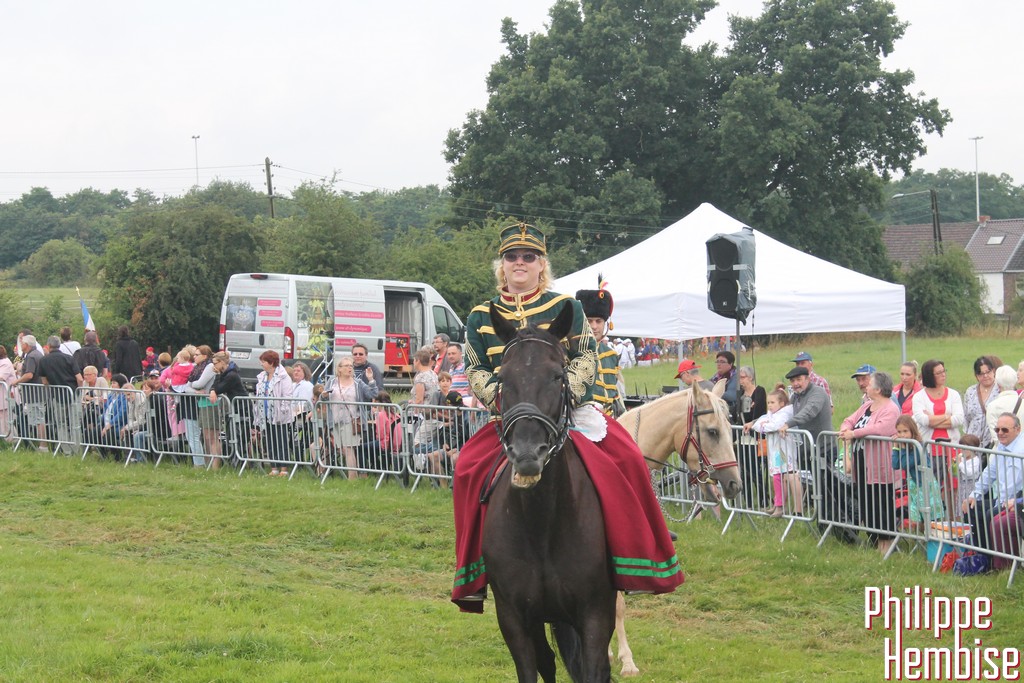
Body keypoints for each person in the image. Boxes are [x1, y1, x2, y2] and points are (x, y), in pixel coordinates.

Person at [452, 221, 681, 612]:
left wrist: (563, 395)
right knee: (465, 470)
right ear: (501, 265)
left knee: (627, 457)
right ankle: (472, 571)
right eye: (512, 257)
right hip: (512, 415)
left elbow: (586, 355)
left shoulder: (566, 307)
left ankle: (641, 555)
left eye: (529, 257)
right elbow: (475, 367)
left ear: (542, 264)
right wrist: (503, 400)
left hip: (569, 409)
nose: (520, 263)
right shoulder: (479, 315)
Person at [838, 372, 900, 555]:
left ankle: (886, 545)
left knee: (881, 505)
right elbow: (849, 420)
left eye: (870, 383)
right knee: (867, 505)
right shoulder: (866, 405)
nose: (866, 386)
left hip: (879, 467)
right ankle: (875, 541)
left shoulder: (891, 409)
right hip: (862, 465)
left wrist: (854, 434)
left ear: (878, 389)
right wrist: (845, 429)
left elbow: (880, 429)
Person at [961, 412, 1024, 559]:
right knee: (971, 508)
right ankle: (982, 556)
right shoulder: (1001, 446)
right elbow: (989, 473)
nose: (1000, 433)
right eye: (997, 429)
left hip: (1016, 502)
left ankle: (999, 560)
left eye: (1005, 430)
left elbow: (1012, 486)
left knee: (991, 514)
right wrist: (974, 495)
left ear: (1018, 429)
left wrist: (1002, 505)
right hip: (1003, 499)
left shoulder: (1020, 450)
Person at [911, 359, 965, 516]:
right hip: (929, 449)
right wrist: (947, 416)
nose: (943, 375)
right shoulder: (919, 397)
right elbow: (923, 420)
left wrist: (933, 419)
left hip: (951, 448)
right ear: (930, 376)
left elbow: (958, 419)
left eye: (943, 371)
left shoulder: (953, 394)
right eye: (939, 373)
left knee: (952, 486)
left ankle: (952, 519)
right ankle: (933, 520)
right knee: (930, 487)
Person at [747, 388, 799, 517]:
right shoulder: (770, 415)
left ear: (781, 403)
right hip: (776, 450)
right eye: (768, 403)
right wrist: (762, 425)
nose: (769, 405)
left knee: (781, 476)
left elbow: (774, 426)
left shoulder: (784, 415)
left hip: (784, 450)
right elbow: (760, 422)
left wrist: (763, 426)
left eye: (772, 402)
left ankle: (782, 506)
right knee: (776, 477)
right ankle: (778, 504)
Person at [575, 277, 623, 416]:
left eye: (598, 321)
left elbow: (615, 394)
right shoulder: (571, 351)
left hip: (611, 417)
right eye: (589, 321)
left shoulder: (611, 355)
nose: (594, 326)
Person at [891, 415, 945, 531]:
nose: (902, 435)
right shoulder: (905, 445)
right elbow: (895, 464)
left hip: (926, 485)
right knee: (919, 517)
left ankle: (933, 538)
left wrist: (902, 448)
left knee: (931, 518)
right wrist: (895, 448)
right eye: (899, 432)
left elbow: (905, 464)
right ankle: (922, 537)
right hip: (915, 485)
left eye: (905, 431)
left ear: (912, 430)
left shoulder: (918, 446)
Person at [328, 356, 378, 479]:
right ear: (339, 369)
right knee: (341, 448)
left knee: (348, 449)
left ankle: (352, 478)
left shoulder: (357, 383)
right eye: (346, 366)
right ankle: (356, 473)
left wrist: (371, 379)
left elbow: (373, 394)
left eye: (351, 366)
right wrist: (323, 396)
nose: (349, 368)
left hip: (351, 420)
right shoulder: (332, 382)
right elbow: (322, 398)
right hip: (335, 420)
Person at [36, 335, 83, 454]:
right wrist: (79, 391)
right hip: (72, 394)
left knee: (61, 423)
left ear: (48, 346)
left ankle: (66, 450)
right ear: (59, 345)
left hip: (57, 396)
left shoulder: (44, 360)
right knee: (75, 423)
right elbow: (79, 378)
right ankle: (77, 449)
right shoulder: (69, 358)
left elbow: (44, 381)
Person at [253, 350, 295, 477]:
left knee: (281, 442)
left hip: (279, 416)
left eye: (264, 362)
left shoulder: (283, 377)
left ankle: (284, 469)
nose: (262, 364)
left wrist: (282, 412)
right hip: (266, 414)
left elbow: (287, 396)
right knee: (270, 441)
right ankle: (274, 468)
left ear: (271, 363)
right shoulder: (262, 376)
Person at [736, 366, 768, 509]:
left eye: (742, 377)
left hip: (756, 436)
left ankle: (763, 500)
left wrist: (753, 423)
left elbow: (761, 413)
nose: (740, 381)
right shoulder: (739, 395)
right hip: (742, 436)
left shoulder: (759, 391)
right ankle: (748, 502)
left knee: (755, 470)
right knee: (744, 471)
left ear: (750, 377)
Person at [9, 334, 47, 450]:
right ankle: (41, 445)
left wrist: (16, 381)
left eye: (22, 343)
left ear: (26, 344)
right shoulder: (38, 354)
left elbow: (29, 374)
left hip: (34, 394)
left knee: (38, 420)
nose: (20, 345)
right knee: (38, 419)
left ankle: (43, 446)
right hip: (38, 392)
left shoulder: (31, 356)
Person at [963, 355, 1001, 449]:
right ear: (976, 376)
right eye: (981, 373)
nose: (985, 376)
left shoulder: (1001, 389)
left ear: (993, 371)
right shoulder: (970, 391)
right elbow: (966, 418)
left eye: (988, 372)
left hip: (993, 444)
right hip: (972, 444)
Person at [984, 365, 1024, 445]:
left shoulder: (992, 406)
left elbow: (996, 438)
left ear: (998, 385)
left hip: (1001, 451)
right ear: (1015, 383)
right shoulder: (1022, 403)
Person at [100, 374, 131, 459]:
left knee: (109, 434)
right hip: (106, 423)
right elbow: (106, 409)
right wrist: (102, 403)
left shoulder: (124, 396)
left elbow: (122, 413)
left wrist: (110, 424)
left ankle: (117, 456)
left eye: (114, 383)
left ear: (120, 384)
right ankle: (103, 456)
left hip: (117, 425)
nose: (112, 385)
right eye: (111, 383)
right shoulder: (111, 395)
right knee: (95, 432)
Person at [709, 351, 739, 416]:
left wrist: (712, 397)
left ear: (730, 364)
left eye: (722, 362)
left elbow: (730, 396)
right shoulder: (715, 377)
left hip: (729, 411)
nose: (719, 364)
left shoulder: (736, 377)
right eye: (717, 361)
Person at [445, 342, 474, 407]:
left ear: (460, 353)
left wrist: (469, 392)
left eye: (453, 353)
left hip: (464, 404)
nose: (451, 356)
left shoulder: (465, 367)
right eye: (449, 354)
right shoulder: (451, 368)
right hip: (454, 404)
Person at [0, 346, 17, 441]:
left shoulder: (5, 363)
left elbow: (1, 377)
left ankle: (12, 441)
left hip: (5, 396)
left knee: (6, 420)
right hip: (2, 396)